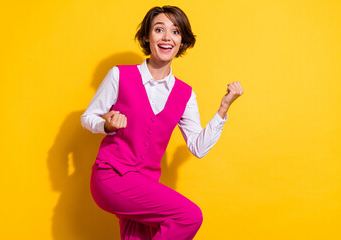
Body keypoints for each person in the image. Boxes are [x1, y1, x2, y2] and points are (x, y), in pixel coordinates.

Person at [81, 5, 243, 240]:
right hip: (112, 175)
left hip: (144, 183)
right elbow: (88, 118)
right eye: (159, 29)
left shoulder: (185, 94)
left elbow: (198, 147)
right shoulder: (120, 75)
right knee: (188, 216)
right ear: (147, 37)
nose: (167, 37)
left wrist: (223, 109)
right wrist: (106, 126)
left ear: (182, 42)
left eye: (175, 32)